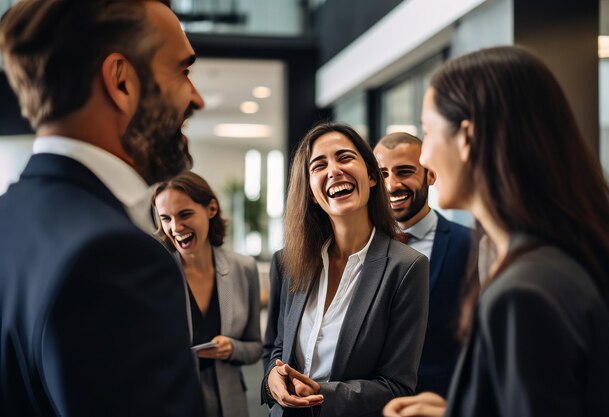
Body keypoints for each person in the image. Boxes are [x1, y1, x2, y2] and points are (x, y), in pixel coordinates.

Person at [383, 46, 609, 417]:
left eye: (428, 133)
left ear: (467, 137)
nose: (426, 157)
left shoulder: (523, 292)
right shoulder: (563, 258)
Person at [0, 1, 207, 416]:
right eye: (182, 71)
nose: (197, 98)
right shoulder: (114, 257)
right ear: (122, 81)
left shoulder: (9, 216)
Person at [261, 121, 430, 417]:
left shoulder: (407, 268)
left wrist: (319, 394)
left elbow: (397, 386)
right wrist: (270, 380)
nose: (333, 170)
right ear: (312, 192)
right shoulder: (287, 262)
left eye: (345, 157)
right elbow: (275, 349)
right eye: (318, 165)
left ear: (371, 176)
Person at [153, 171, 262, 417]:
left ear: (211, 209)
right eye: (165, 218)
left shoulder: (243, 269)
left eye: (185, 214)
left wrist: (233, 348)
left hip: (231, 405)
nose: (175, 227)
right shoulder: (155, 274)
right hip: (172, 403)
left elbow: (256, 346)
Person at [374, 132, 473, 397]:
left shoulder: (471, 245)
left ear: (430, 174)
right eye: (382, 174)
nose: (391, 185)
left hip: (441, 401)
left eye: (404, 172)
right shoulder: (360, 245)